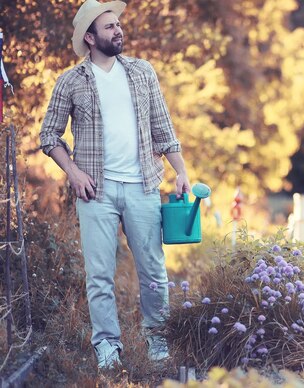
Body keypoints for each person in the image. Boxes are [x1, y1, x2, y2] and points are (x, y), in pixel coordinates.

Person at [39, 0, 190, 370]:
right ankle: (107, 345)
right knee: (100, 274)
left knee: (153, 269)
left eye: (118, 24)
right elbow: (49, 136)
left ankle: (158, 339)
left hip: (143, 186)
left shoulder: (142, 72)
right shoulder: (71, 81)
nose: (118, 30)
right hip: (97, 193)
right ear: (89, 38)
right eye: (108, 27)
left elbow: (163, 127)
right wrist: (73, 173)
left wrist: (182, 171)